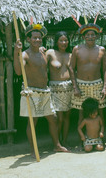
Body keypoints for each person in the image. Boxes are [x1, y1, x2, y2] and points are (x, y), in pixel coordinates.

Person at [13, 23, 68, 156]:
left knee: (53, 118)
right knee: (32, 121)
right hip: (32, 92)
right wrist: (16, 53)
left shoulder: (43, 52)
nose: (37, 40)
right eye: (34, 38)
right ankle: (33, 149)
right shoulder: (25, 55)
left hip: (45, 91)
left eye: (39, 38)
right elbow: (19, 72)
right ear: (28, 40)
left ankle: (57, 145)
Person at [69, 19, 106, 128]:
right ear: (83, 37)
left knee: (100, 112)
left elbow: (105, 69)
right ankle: (82, 140)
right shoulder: (77, 49)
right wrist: (75, 87)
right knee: (81, 113)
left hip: (97, 84)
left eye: (93, 35)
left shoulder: (102, 50)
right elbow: (71, 68)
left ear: (96, 36)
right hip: (81, 84)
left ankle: (100, 137)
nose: (90, 37)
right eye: (88, 35)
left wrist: (104, 87)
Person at [46, 31, 73, 146]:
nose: (64, 42)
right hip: (55, 88)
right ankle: (57, 143)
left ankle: (64, 141)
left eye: (66, 40)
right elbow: (41, 64)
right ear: (56, 41)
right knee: (58, 117)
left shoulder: (70, 55)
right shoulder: (50, 53)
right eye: (61, 40)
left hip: (68, 87)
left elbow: (73, 72)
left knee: (67, 116)